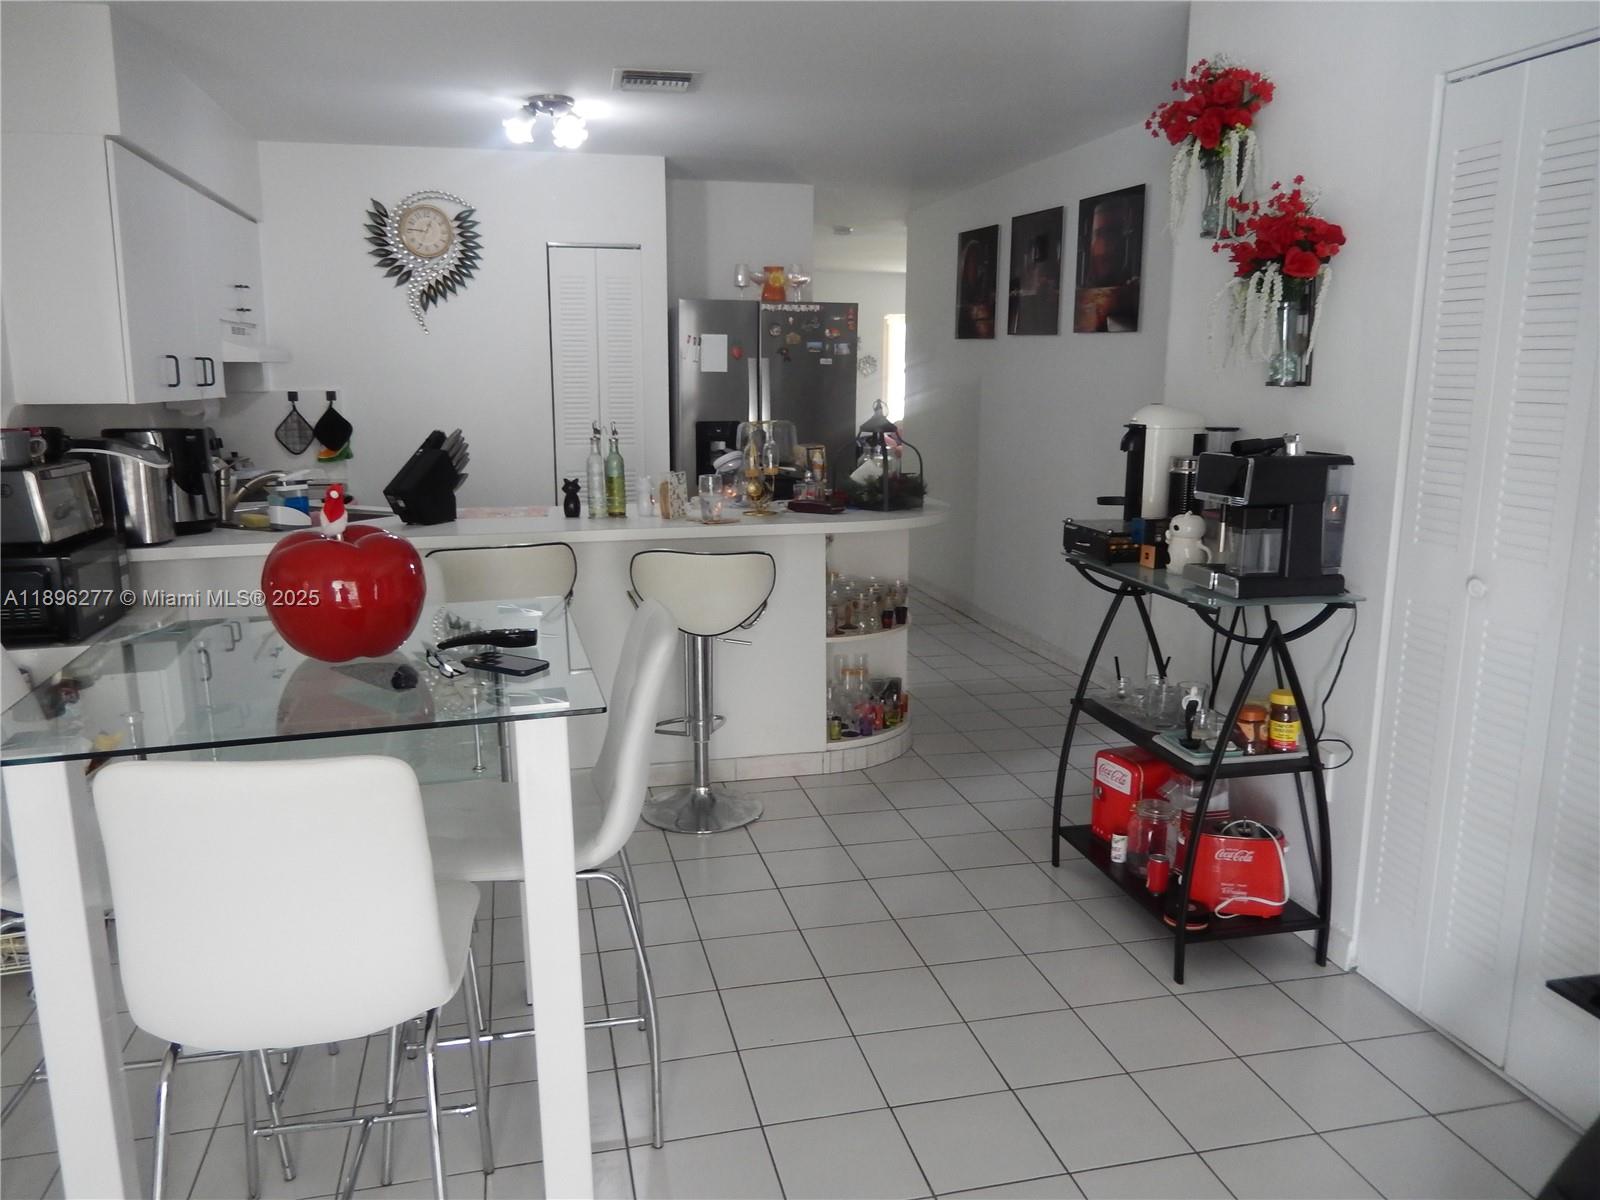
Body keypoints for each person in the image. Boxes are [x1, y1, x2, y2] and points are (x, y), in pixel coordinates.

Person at [1074, 191, 1143, 332]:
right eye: (1100, 234)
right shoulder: (1077, 295)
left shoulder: (1135, 292)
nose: (1108, 247)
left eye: (1116, 234)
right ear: (1089, 242)